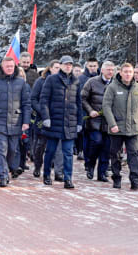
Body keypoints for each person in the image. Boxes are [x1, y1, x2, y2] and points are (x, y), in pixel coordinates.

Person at [0, 57, 31, 187]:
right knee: (1, 149)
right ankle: (3, 175)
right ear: (2, 67)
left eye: (12, 66)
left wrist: (26, 121)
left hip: (16, 121)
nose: (10, 68)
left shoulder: (21, 83)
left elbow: (26, 104)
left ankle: (10, 167)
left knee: (13, 150)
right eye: (7, 66)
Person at [102, 62, 138, 190]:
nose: (128, 74)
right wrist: (112, 124)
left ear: (133, 73)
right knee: (115, 154)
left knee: (134, 154)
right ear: (120, 73)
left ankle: (135, 180)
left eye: (130, 72)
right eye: (125, 72)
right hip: (117, 127)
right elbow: (106, 106)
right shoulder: (112, 87)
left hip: (133, 128)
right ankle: (116, 178)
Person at [40, 55, 82, 189]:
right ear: (61, 65)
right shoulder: (52, 79)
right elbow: (44, 100)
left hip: (70, 122)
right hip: (54, 121)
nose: (68, 66)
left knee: (68, 153)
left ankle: (68, 178)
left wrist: (79, 122)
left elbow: (79, 103)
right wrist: (46, 117)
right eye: (65, 64)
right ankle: (46, 174)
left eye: (70, 64)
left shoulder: (76, 81)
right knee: (50, 151)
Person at [81, 60, 115, 182]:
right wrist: (90, 111)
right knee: (96, 142)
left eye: (112, 70)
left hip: (109, 121)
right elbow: (83, 98)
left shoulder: (116, 83)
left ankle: (102, 173)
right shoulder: (92, 82)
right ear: (102, 70)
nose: (110, 72)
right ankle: (90, 164)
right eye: (108, 70)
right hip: (94, 120)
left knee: (107, 147)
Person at [30, 59, 60, 178]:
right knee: (40, 145)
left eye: (60, 67)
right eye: (56, 67)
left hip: (57, 118)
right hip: (42, 118)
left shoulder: (63, 81)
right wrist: (43, 111)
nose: (58, 70)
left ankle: (55, 168)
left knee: (56, 145)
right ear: (50, 68)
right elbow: (33, 99)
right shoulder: (41, 81)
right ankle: (38, 165)